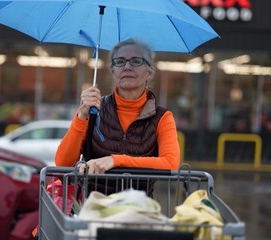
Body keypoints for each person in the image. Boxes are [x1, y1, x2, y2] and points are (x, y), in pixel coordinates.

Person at [55, 38, 180, 176]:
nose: (127, 67)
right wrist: (82, 116)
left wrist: (115, 160)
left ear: (149, 72)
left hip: (139, 198)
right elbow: (62, 164)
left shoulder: (162, 117)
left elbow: (171, 164)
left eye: (136, 61)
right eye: (120, 62)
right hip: (95, 197)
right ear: (113, 72)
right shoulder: (93, 109)